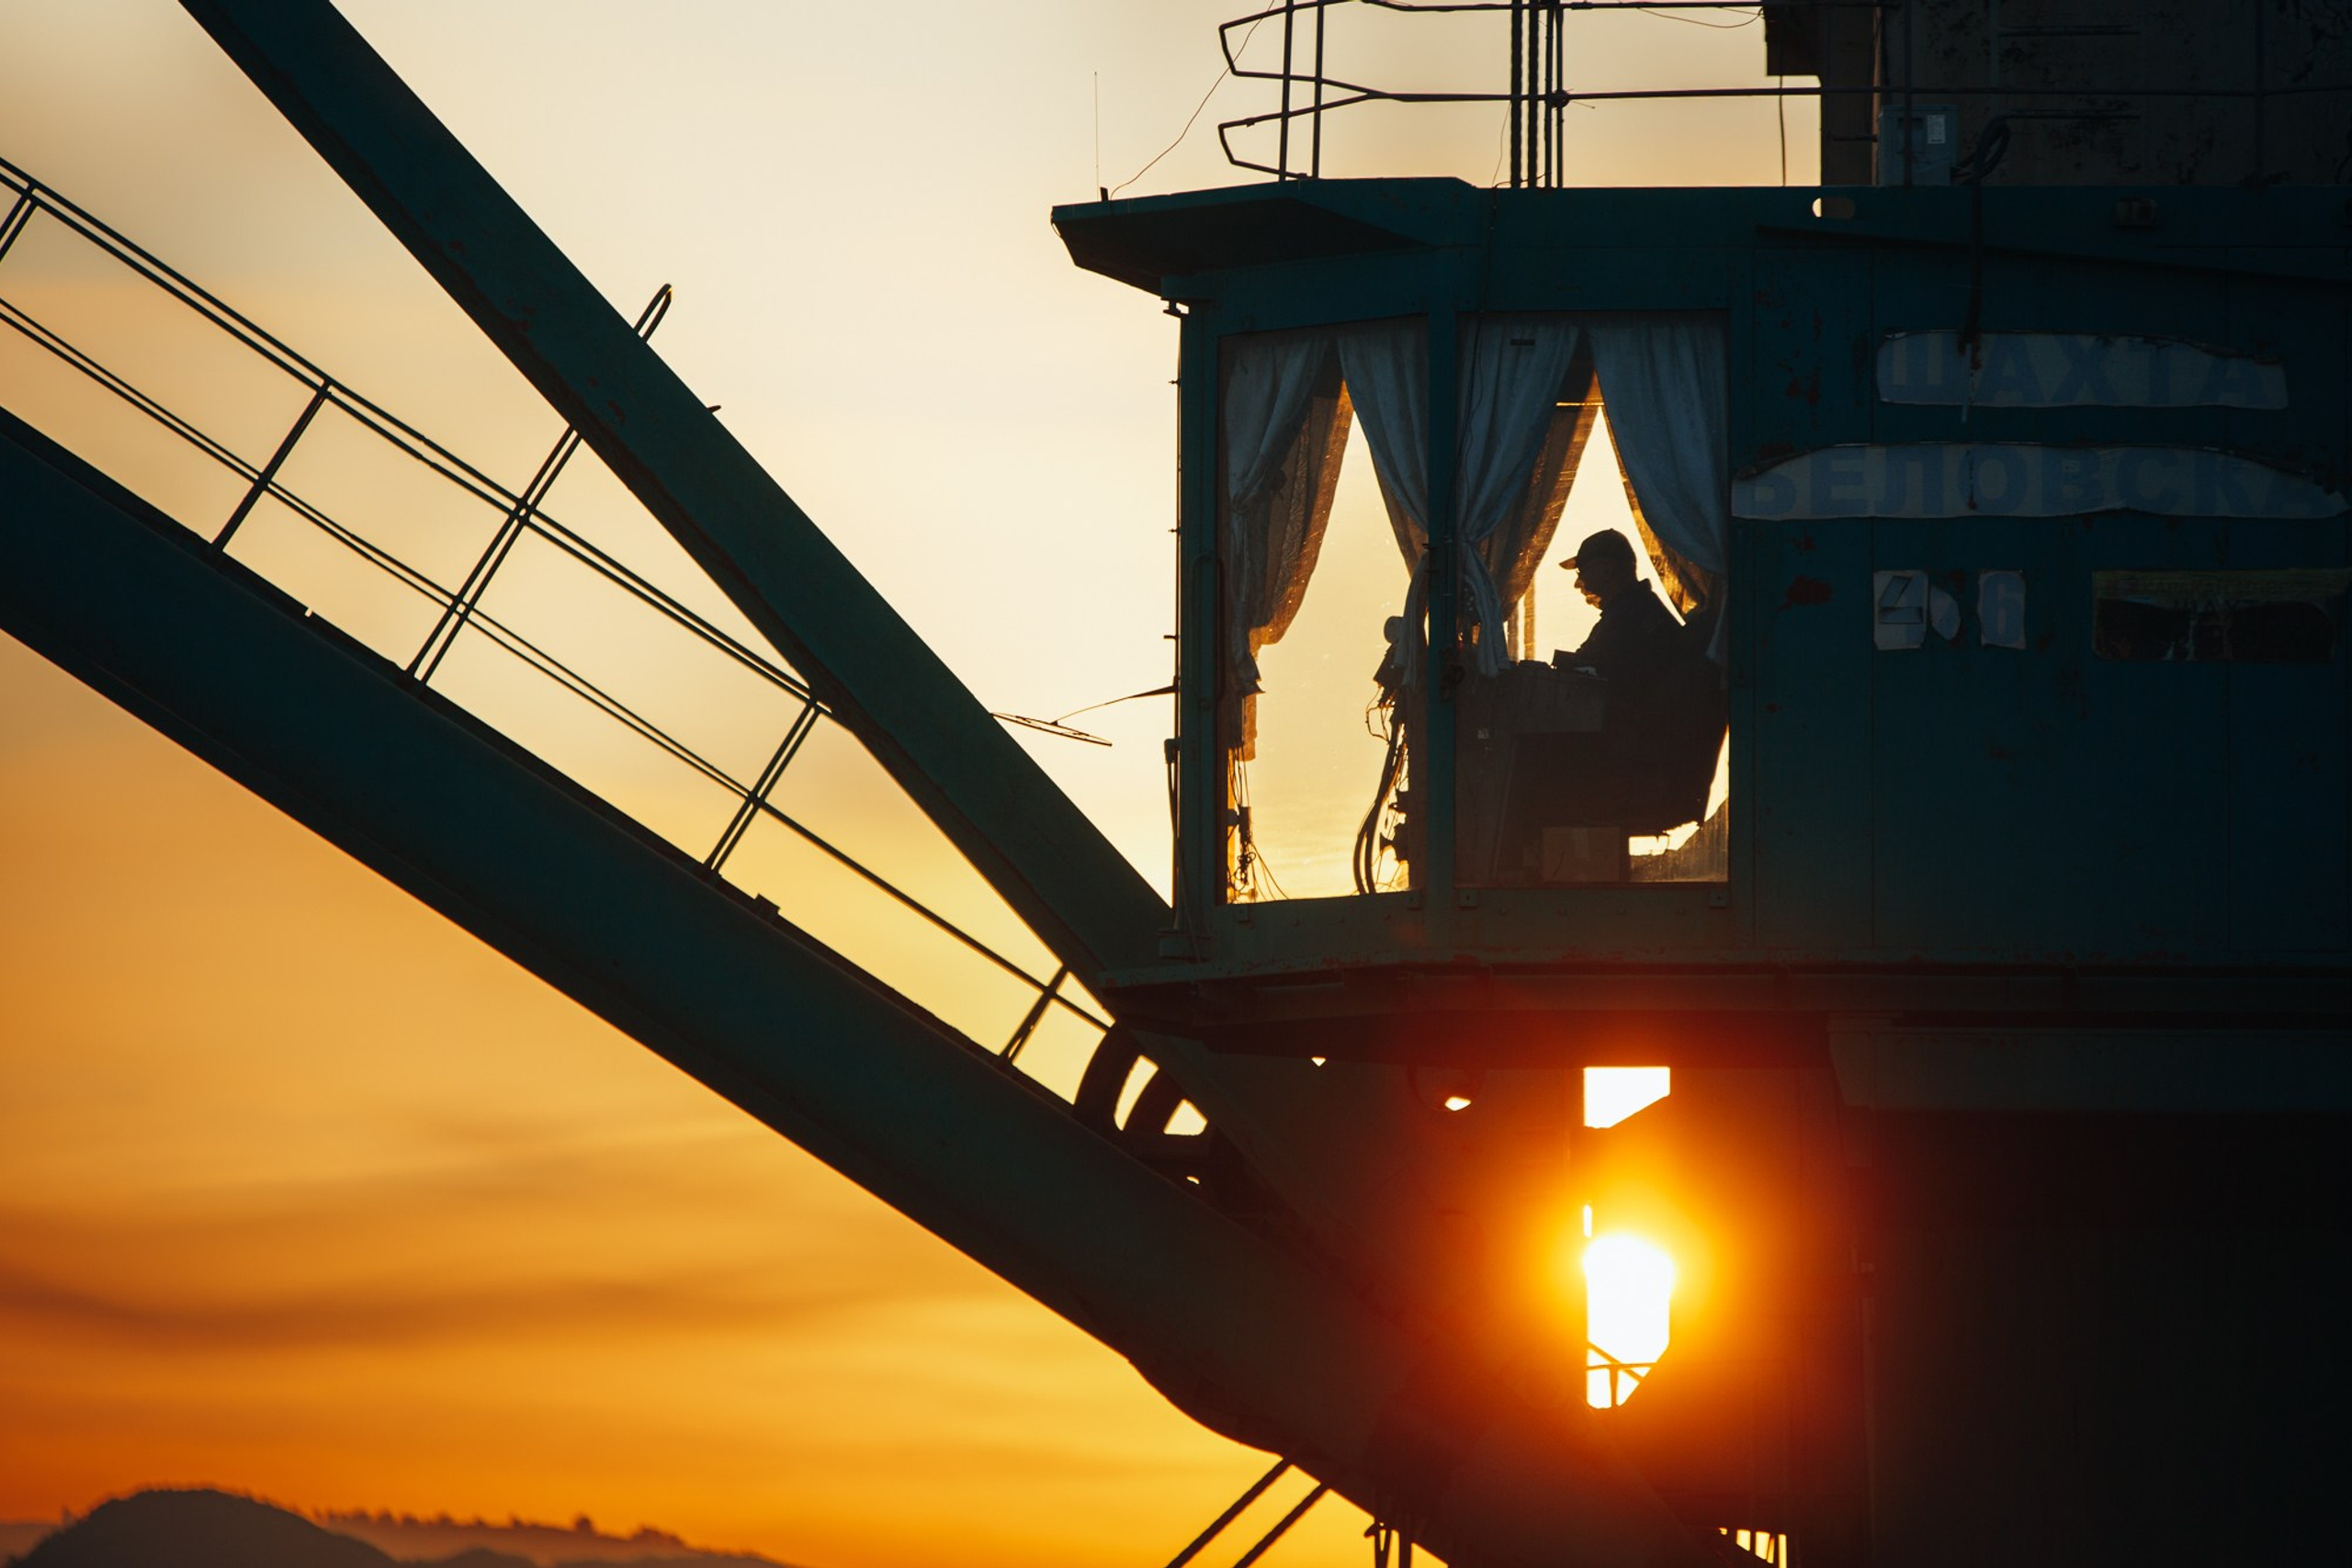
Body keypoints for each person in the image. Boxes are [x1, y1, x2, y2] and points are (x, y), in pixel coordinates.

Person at [1552, 528, 1682, 689]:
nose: (1579, 580)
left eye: (1582, 570)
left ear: (1606, 569)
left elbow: (1600, 669)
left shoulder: (1628, 616)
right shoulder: (1635, 607)